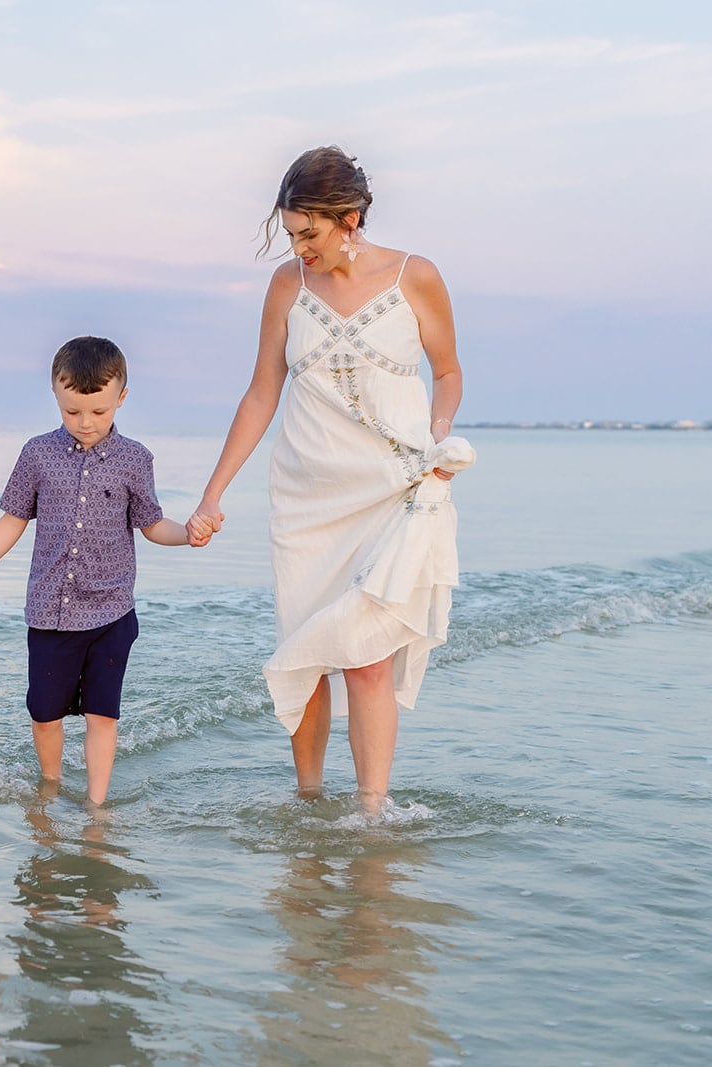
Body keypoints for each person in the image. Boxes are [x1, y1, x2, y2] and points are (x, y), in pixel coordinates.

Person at [188, 146, 473, 815]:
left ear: (349, 219)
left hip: (391, 490)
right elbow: (261, 393)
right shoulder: (288, 286)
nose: (299, 248)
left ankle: (372, 810)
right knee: (307, 651)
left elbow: (449, 370)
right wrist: (212, 492)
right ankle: (310, 800)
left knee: (367, 653)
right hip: (305, 499)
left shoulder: (416, 277)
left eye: (309, 233)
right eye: (291, 234)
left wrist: (437, 431)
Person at [0, 337, 193, 805]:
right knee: (44, 713)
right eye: (72, 412)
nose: (85, 424)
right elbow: (13, 519)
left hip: (111, 612)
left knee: (103, 714)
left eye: (98, 412)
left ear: (121, 397)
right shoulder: (37, 454)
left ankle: (97, 805)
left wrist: (189, 533)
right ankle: (51, 787)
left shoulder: (135, 459)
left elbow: (152, 525)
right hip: (50, 612)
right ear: (56, 396)